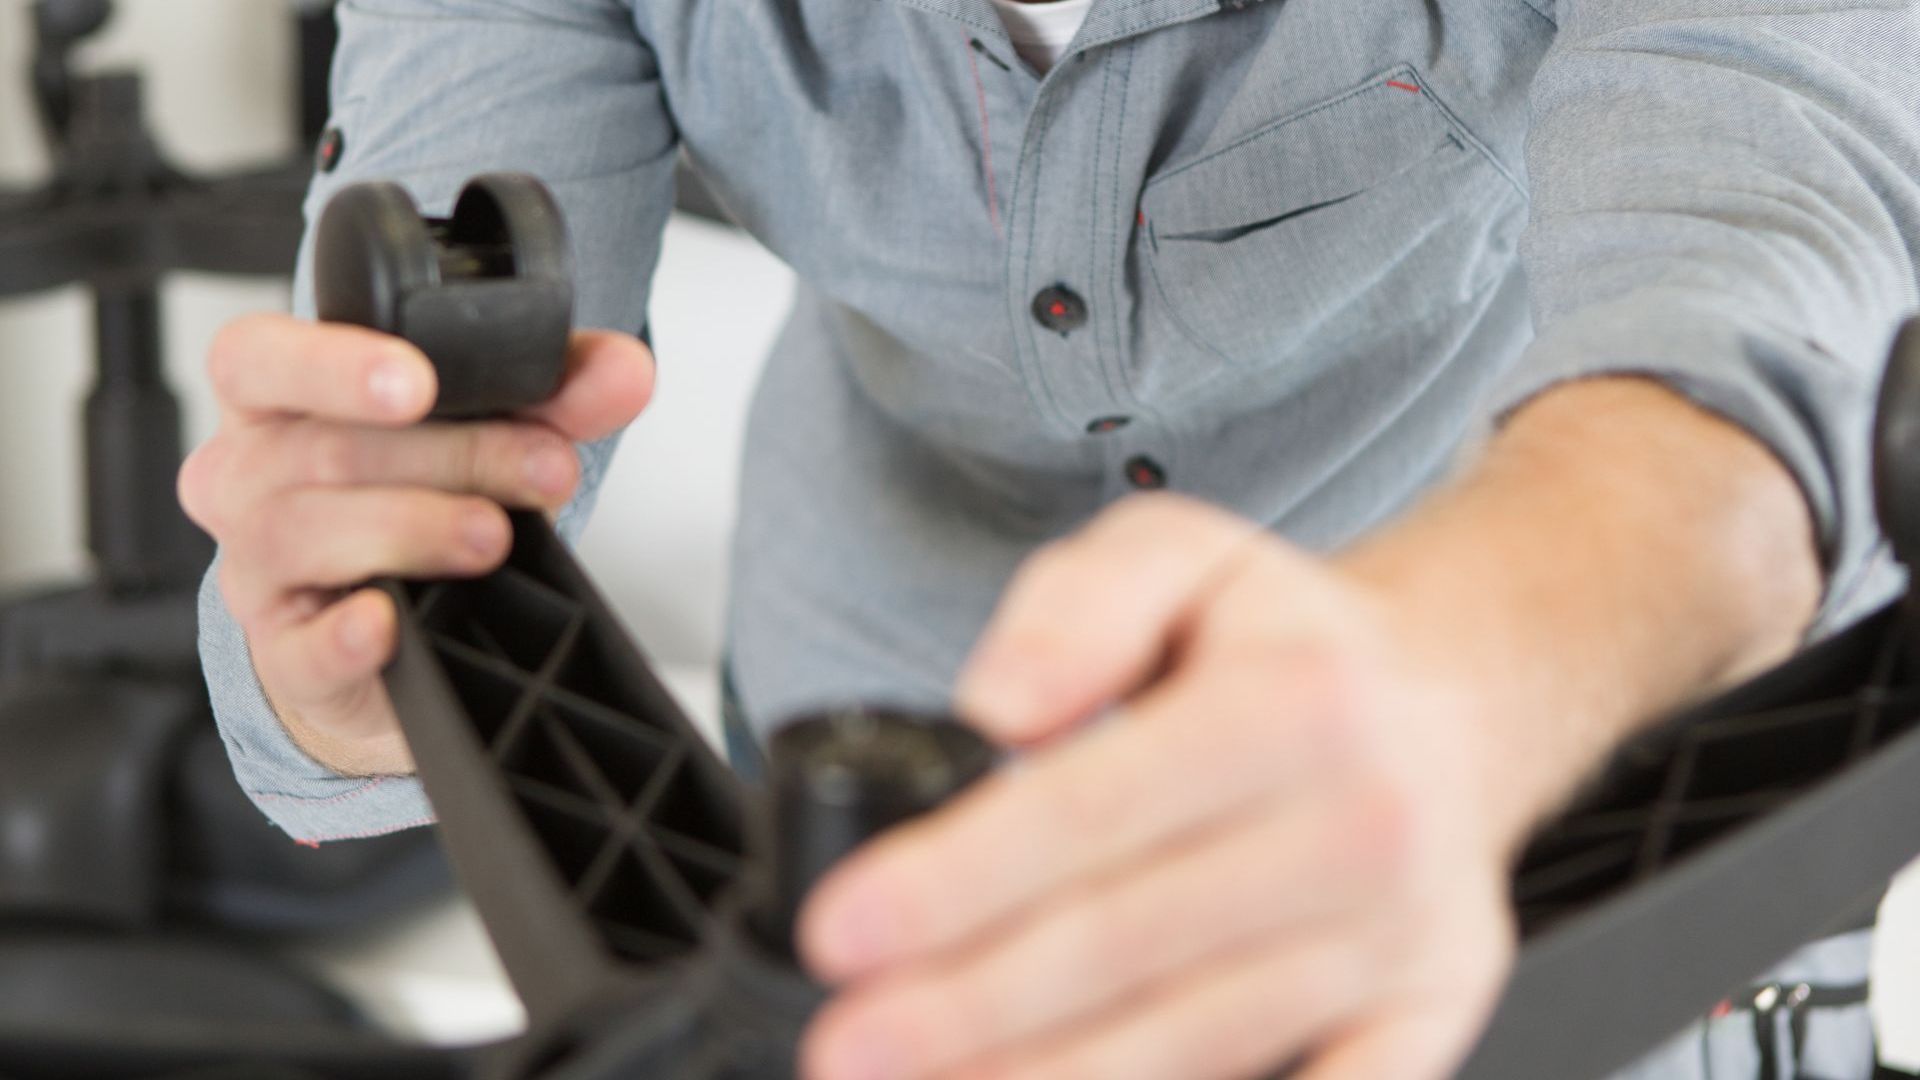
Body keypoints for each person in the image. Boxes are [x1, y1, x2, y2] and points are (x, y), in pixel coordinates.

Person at [179, 0, 1919, 1076]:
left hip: (1516, 770)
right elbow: (423, 388)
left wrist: (1474, 682)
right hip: (849, 743)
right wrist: (341, 635)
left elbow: (1761, 268)